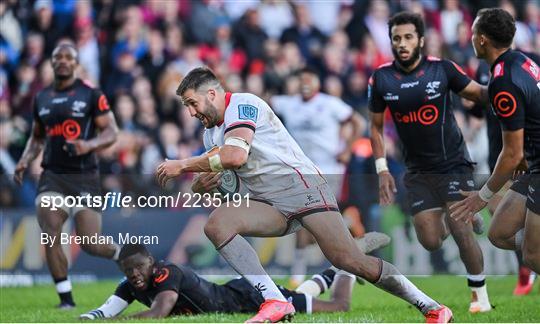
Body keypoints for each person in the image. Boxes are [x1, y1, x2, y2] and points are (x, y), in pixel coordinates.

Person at [156, 67, 452, 323]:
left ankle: (432, 307)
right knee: (217, 224)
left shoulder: (243, 104)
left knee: (350, 259)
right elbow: (231, 184)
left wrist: (182, 165)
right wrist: (203, 186)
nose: (191, 112)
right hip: (269, 203)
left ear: (211, 94)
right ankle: (274, 301)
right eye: (186, 107)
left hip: (302, 189)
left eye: (192, 103)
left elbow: (234, 156)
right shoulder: (211, 136)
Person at [368, 12, 492, 313]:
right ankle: (464, 217)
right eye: (396, 38)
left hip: (453, 163)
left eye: (408, 37)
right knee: (430, 240)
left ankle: (481, 297)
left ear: (421, 40)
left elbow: (478, 93)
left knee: (461, 230)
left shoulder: (443, 69)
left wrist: (512, 88)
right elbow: (374, 126)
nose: (402, 43)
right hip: (417, 171)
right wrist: (382, 169)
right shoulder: (381, 78)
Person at [13, 43, 120, 309]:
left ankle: (124, 255)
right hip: (53, 176)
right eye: (57, 57)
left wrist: (89, 145)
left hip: (85, 176)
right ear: (51, 63)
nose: (62, 61)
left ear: (75, 63)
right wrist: (25, 160)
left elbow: (112, 133)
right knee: (50, 231)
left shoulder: (91, 95)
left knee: (90, 243)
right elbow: (37, 138)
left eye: (67, 57)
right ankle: (66, 300)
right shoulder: (42, 98)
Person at [451, 8, 540, 275]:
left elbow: (511, 155)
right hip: (533, 163)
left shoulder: (504, 80)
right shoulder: (520, 61)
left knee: (533, 256)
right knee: (499, 233)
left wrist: (482, 196)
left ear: (482, 40)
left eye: (473, 32)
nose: (470, 37)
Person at [80, 243, 383, 319]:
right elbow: (103, 312)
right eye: (128, 270)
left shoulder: (166, 273)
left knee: (339, 307)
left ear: (151, 263)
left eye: (138, 268)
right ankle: (333, 270)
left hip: (248, 298)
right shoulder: (129, 285)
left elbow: (159, 312)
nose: (133, 274)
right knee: (299, 299)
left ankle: (347, 267)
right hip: (240, 295)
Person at [271, 66, 365, 287]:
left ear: (317, 82)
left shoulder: (330, 104)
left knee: (312, 220)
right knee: (305, 220)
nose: (305, 83)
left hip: (329, 169)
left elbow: (359, 122)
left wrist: (347, 149)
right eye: (301, 79)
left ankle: (298, 272)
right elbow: (261, 102)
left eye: (309, 79)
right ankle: (348, 226)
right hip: (301, 170)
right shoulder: (289, 103)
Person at [468, 60, 536, 296]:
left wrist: (482, 195)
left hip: (519, 158)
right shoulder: (484, 71)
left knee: (529, 248)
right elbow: (479, 109)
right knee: (499, 229)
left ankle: (527, 269)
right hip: (503, 156)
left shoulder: (519, 67)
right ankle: (526, 266)